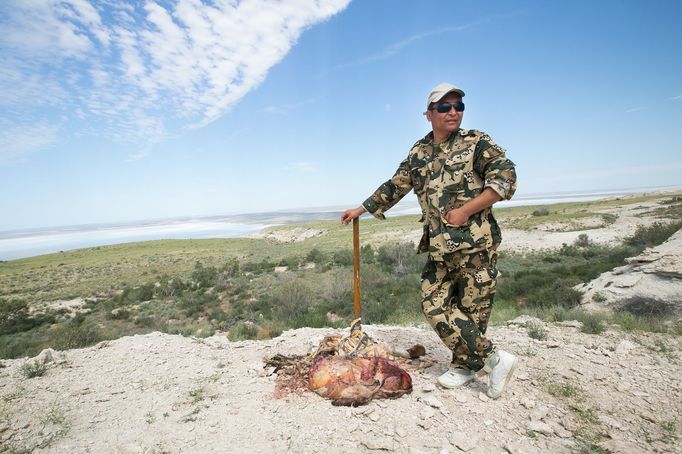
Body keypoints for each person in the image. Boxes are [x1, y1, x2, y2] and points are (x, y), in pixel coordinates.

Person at [341, 82, 518, 398]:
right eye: (444, 107)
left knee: (473, 310)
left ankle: (465, 366)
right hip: (440, 246)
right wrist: (362, 208)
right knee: (432, 302)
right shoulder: (419, 152)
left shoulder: (476, 142)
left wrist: (466, 210)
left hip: (475, 245)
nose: (453, 112)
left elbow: (506, 179)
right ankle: (495, 359)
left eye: (458, 106)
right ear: (429, 114)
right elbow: (395, 185)